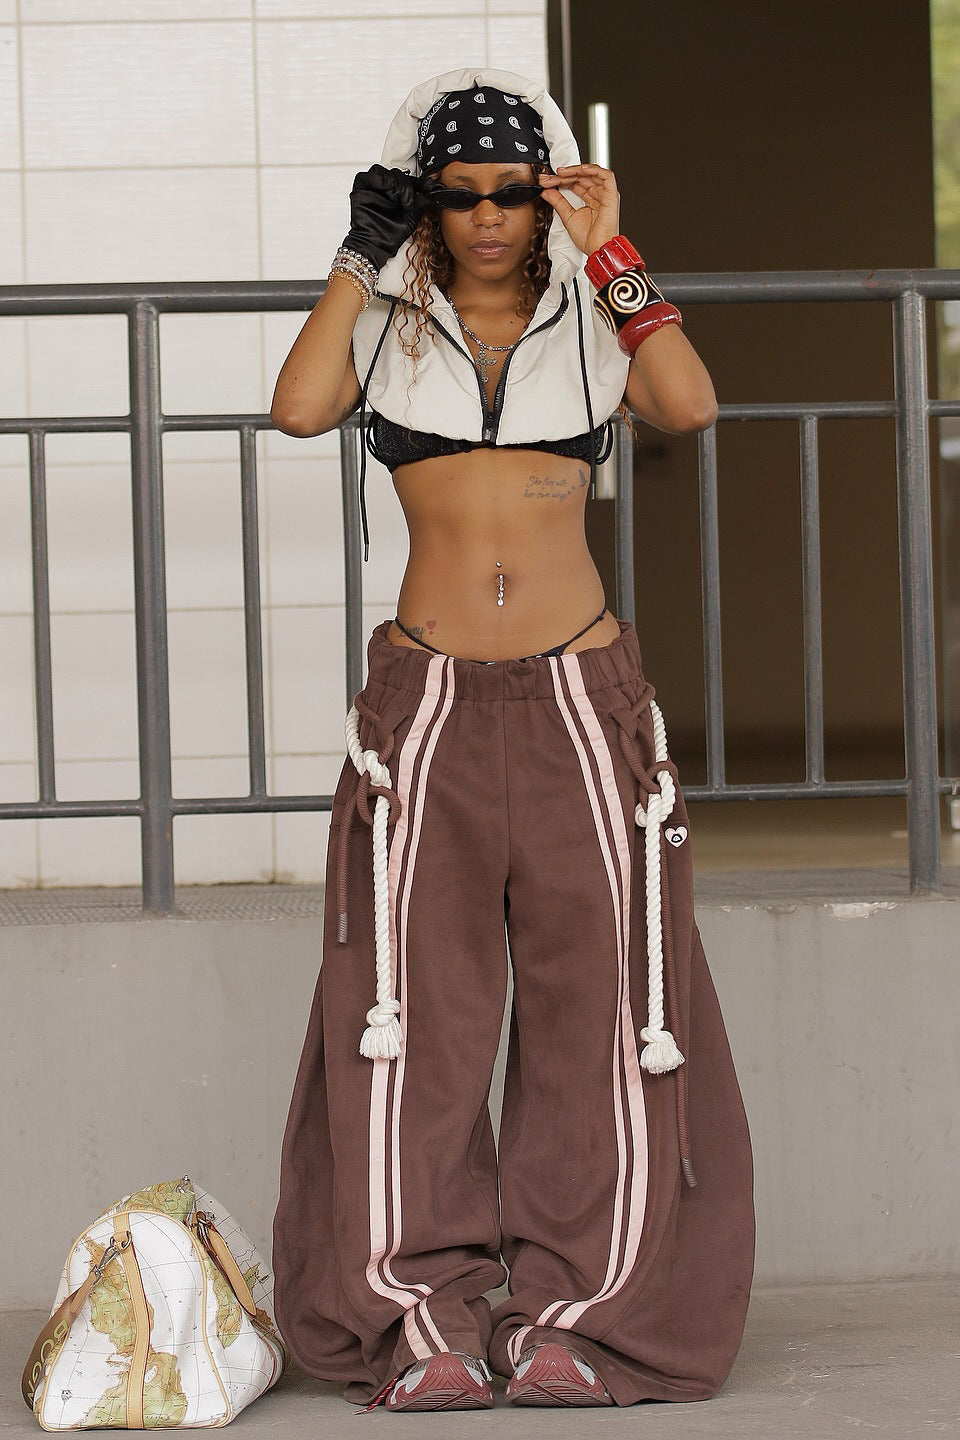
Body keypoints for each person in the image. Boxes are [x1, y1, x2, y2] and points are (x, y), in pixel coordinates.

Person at [269, 66, 755, 1413]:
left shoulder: (594, 313)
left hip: (579, 699)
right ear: (426, 204)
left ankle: (578, 1320)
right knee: (405, 1018)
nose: (487, 215)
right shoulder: (390, 319)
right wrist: (359, 253)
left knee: (607, 1012)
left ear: (542, 199)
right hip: (423, 704)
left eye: (510, 192)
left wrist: (613, 245)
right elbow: (299, 407)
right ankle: (419, 1320)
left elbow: (691, 405)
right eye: (459, 194)